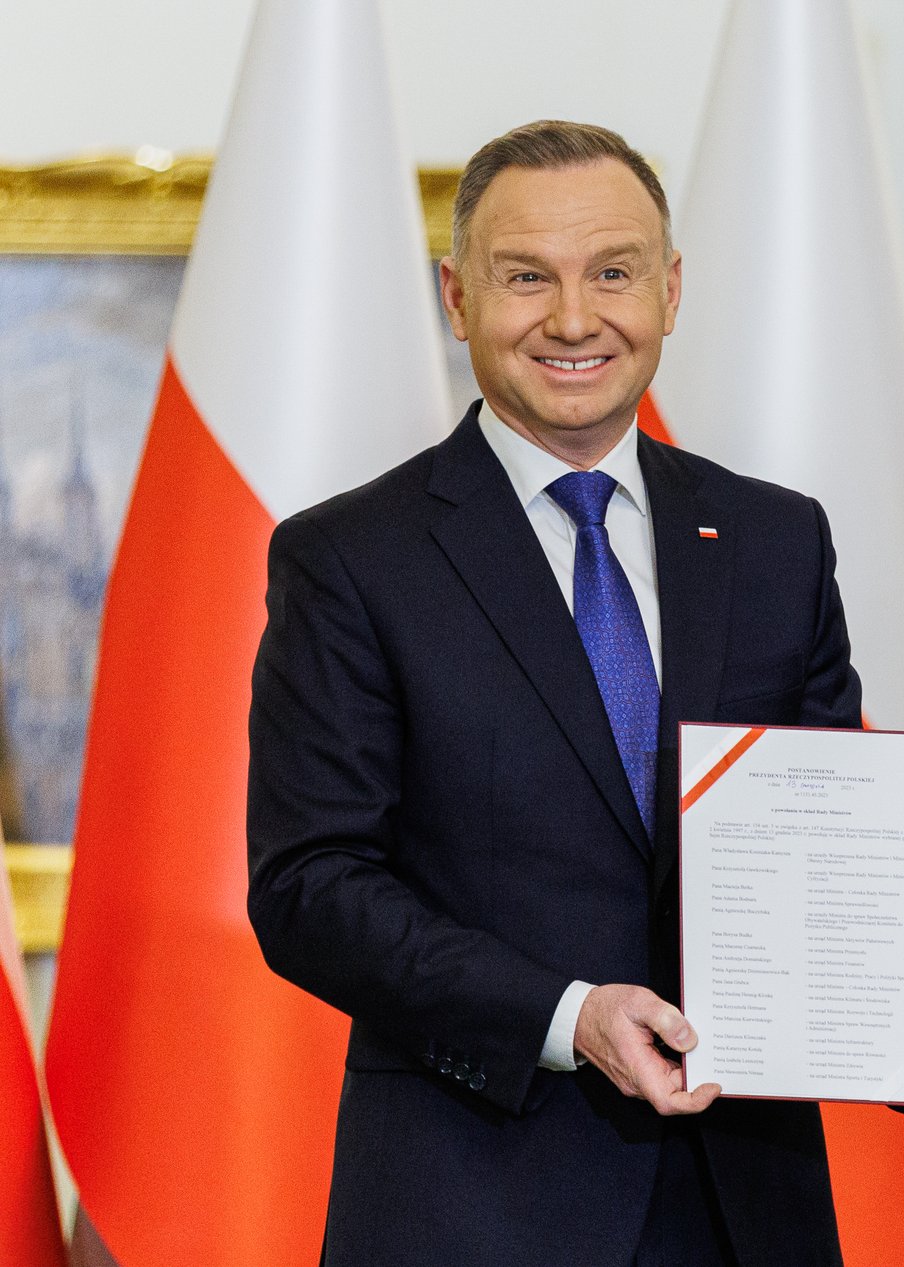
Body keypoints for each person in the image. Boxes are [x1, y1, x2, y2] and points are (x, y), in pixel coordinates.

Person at [248, 120, 858, 1267]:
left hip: (742, 1202)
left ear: (670, 291)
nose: (575, 319)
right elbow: (309, 887)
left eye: (614, 272)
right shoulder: (350, 559)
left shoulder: (778, 539)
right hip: (472, 1203)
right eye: (526, 276)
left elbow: (835, 837)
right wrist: (567, 1015)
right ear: (456, 295)